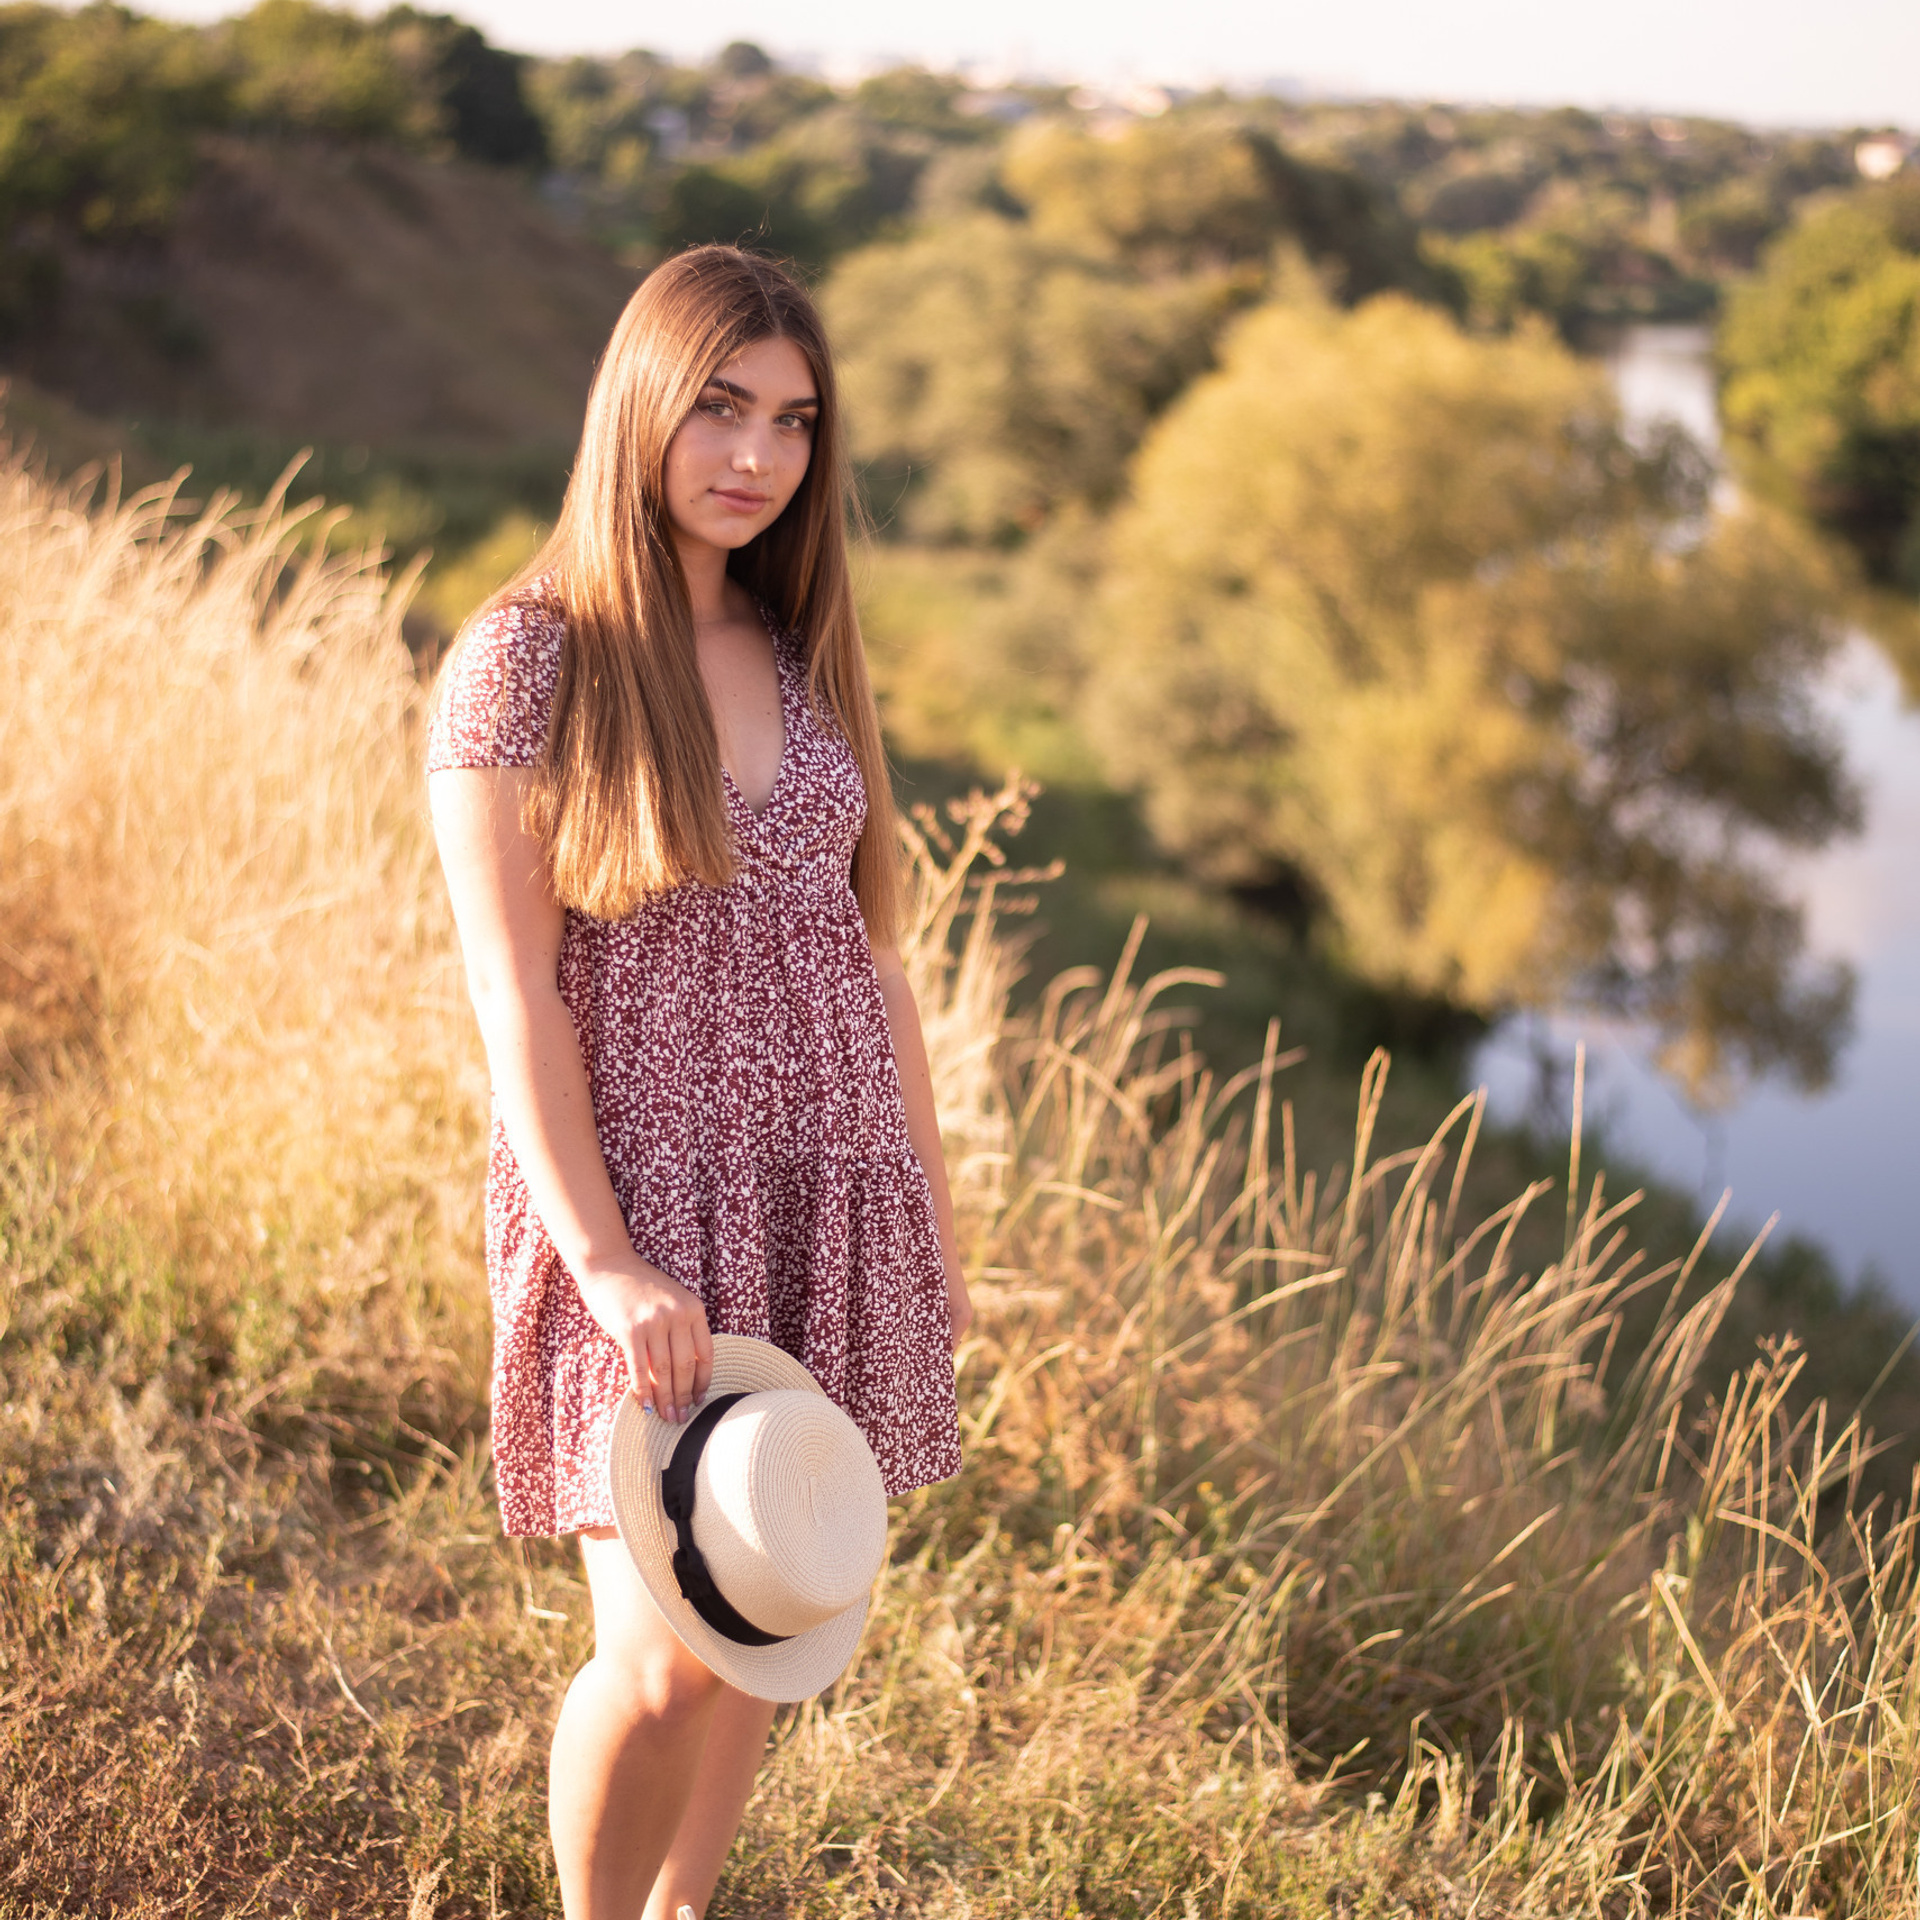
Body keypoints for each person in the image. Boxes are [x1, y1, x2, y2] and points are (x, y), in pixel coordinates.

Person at [427, 244, 970, 1920]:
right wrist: (604, 1259)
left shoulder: (806, 651)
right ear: (643, 403)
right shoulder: (529, 659)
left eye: (795, 421)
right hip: (643, 1205)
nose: (756, 455)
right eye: (721, 407)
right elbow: (515, 993)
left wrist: (937, 1231)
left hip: (831, 1188)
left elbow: (873, 965)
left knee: (760, 1618)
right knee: (657, 1652)